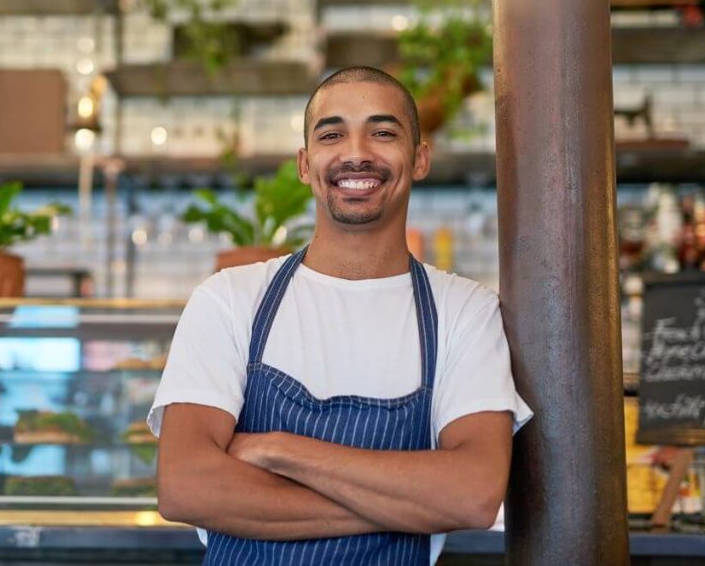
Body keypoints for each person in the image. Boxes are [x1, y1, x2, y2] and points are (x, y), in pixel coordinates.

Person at [149, 66, 532, 565]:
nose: (356, 153)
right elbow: (185, 487)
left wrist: (279, 450)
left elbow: (473, 495)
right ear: (306, 164)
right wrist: (408, 502)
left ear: (419, 159)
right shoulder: (230, 299)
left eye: (383, 132)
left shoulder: (463, 310)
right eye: (332, 134)